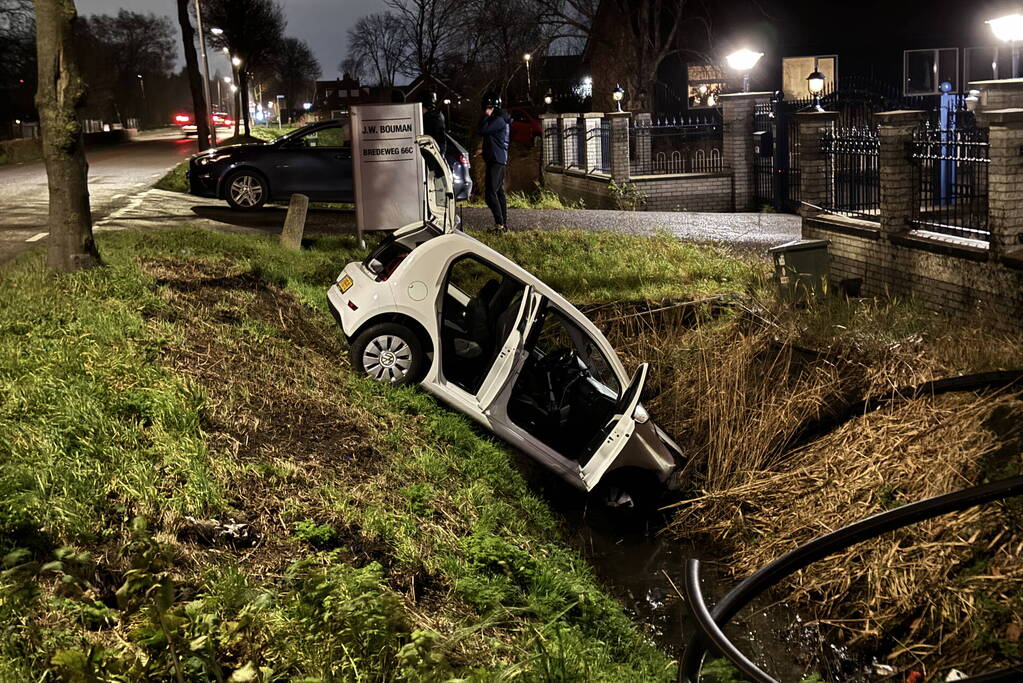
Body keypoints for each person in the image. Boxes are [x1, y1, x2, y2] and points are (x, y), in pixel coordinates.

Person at [478, 92, 511, 232]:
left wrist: (486, 115)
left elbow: (482, 129)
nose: (485, 111)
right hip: (497, 158)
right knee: (498, 192)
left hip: (497, 160)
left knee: (490, 193)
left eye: (487, 108)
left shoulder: (498, 120)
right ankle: (503, 225)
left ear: (491, 107)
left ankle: (500, 224)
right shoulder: (500, 119)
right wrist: (483, 151)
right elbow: (494, 139)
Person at [420, 90, 446, 157]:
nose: (420, 110)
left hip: (434, 149)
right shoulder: (438, 115)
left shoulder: (429, 118)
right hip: (438, 148)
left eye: (422, 107)